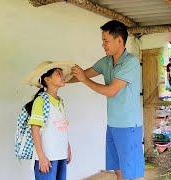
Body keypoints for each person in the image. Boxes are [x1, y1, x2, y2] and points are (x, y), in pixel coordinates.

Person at [69, 20, 144, 180]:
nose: (103, 44)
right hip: (113, 124)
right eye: (102, 41)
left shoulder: (131, 62)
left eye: (106, 41)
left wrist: (83, 79)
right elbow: (83, 74)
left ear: (119, 40)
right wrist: (61, 81)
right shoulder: (106, 61)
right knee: (117, 169)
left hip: (129, 126)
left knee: (129, 173)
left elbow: (111, 91)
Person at [24, 61, 73, 180]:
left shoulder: (60, 102)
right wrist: (41, 157)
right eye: (58, 73)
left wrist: (68, 148)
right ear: (47, 79)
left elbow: (61, 129)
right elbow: (35, 130)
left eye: (62, 73)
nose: (62, 76)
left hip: (60, 155)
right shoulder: (41, 101)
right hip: (47, 158)